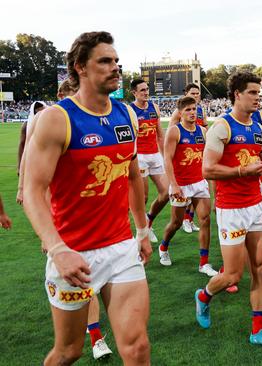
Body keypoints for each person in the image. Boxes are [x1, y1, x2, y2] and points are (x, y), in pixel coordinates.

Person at [23, 31, 152, 365]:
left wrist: (141, 229)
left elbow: (132, 174)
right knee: (68, 351)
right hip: (73, 254)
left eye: (116, 61)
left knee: (137, 347)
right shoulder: (57, 119)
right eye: (105, 61)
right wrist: (57, 248)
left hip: (122, 247)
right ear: (80, 67)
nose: (115, 68)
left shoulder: (128, 115)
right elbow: (34, 191)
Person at [17, 78, 114, 360]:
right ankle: (93, 337)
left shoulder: (90, 119)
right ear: (63, 94)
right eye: (74, 93)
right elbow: (30, 165)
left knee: (87, 277)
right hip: (56, 206)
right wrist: (48, 232)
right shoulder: (49, 119)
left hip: (86, 213)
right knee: (78, 274)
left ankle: (95, 336)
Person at [194, 71, 262, 351]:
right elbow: (207, 169)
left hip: (256, 205)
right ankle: (205, 296)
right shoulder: (222, 126)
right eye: (253, 93)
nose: (258, 98)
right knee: (233, 275)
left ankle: (258, 331)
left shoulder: (258, 124)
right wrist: (243, 170)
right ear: (237, 94)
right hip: (231, 209)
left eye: (259, 93)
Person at [156, 96, 217, 276]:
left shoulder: (203, 131)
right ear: (180, 113)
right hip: (181, 185)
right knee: (175, 223)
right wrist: (174, 185)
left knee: (205, 220)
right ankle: (163, 246)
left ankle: (204, 263)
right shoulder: (175, 131)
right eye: (188, 110)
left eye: (194, 109)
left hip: (199, 182)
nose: (192, 112)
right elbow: (167, 159)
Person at [130, 78, 169, 244]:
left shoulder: (154, 107)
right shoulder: (130, 110)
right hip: (140, 157)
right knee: (143, 196)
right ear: (134, 93)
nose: (146, 93)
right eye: (142, 90)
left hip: (155, 155)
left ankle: (148, 220)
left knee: (166, 193)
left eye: (147, 89)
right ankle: (142, 230)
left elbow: (160, 135)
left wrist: (165, 156)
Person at [171, 83, 207, 233]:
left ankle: (189, 219)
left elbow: (205, 127)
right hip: (183, 157)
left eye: (198, 93)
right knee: (175, 222)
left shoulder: (201, 111)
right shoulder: (177, 116)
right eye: (193, 93)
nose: (196, 96)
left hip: (198, 154)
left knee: (204, 214)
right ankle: (185, 220)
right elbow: (172, 135)